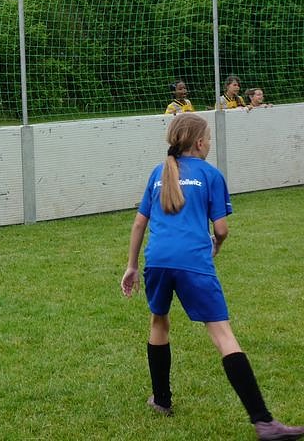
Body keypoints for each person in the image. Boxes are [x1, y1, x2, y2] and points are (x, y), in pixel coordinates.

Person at [120, 113, 304, 440]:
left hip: (158, 260)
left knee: (159, 321)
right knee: (222, 334)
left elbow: (138, 224)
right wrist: (215, 244)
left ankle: (162, 401)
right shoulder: (211, 175)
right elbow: (221, 229)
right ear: (201, 142)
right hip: (192, 261)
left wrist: (132, 267)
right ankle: (264, 422)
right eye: (209, 139)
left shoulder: (157, 173)